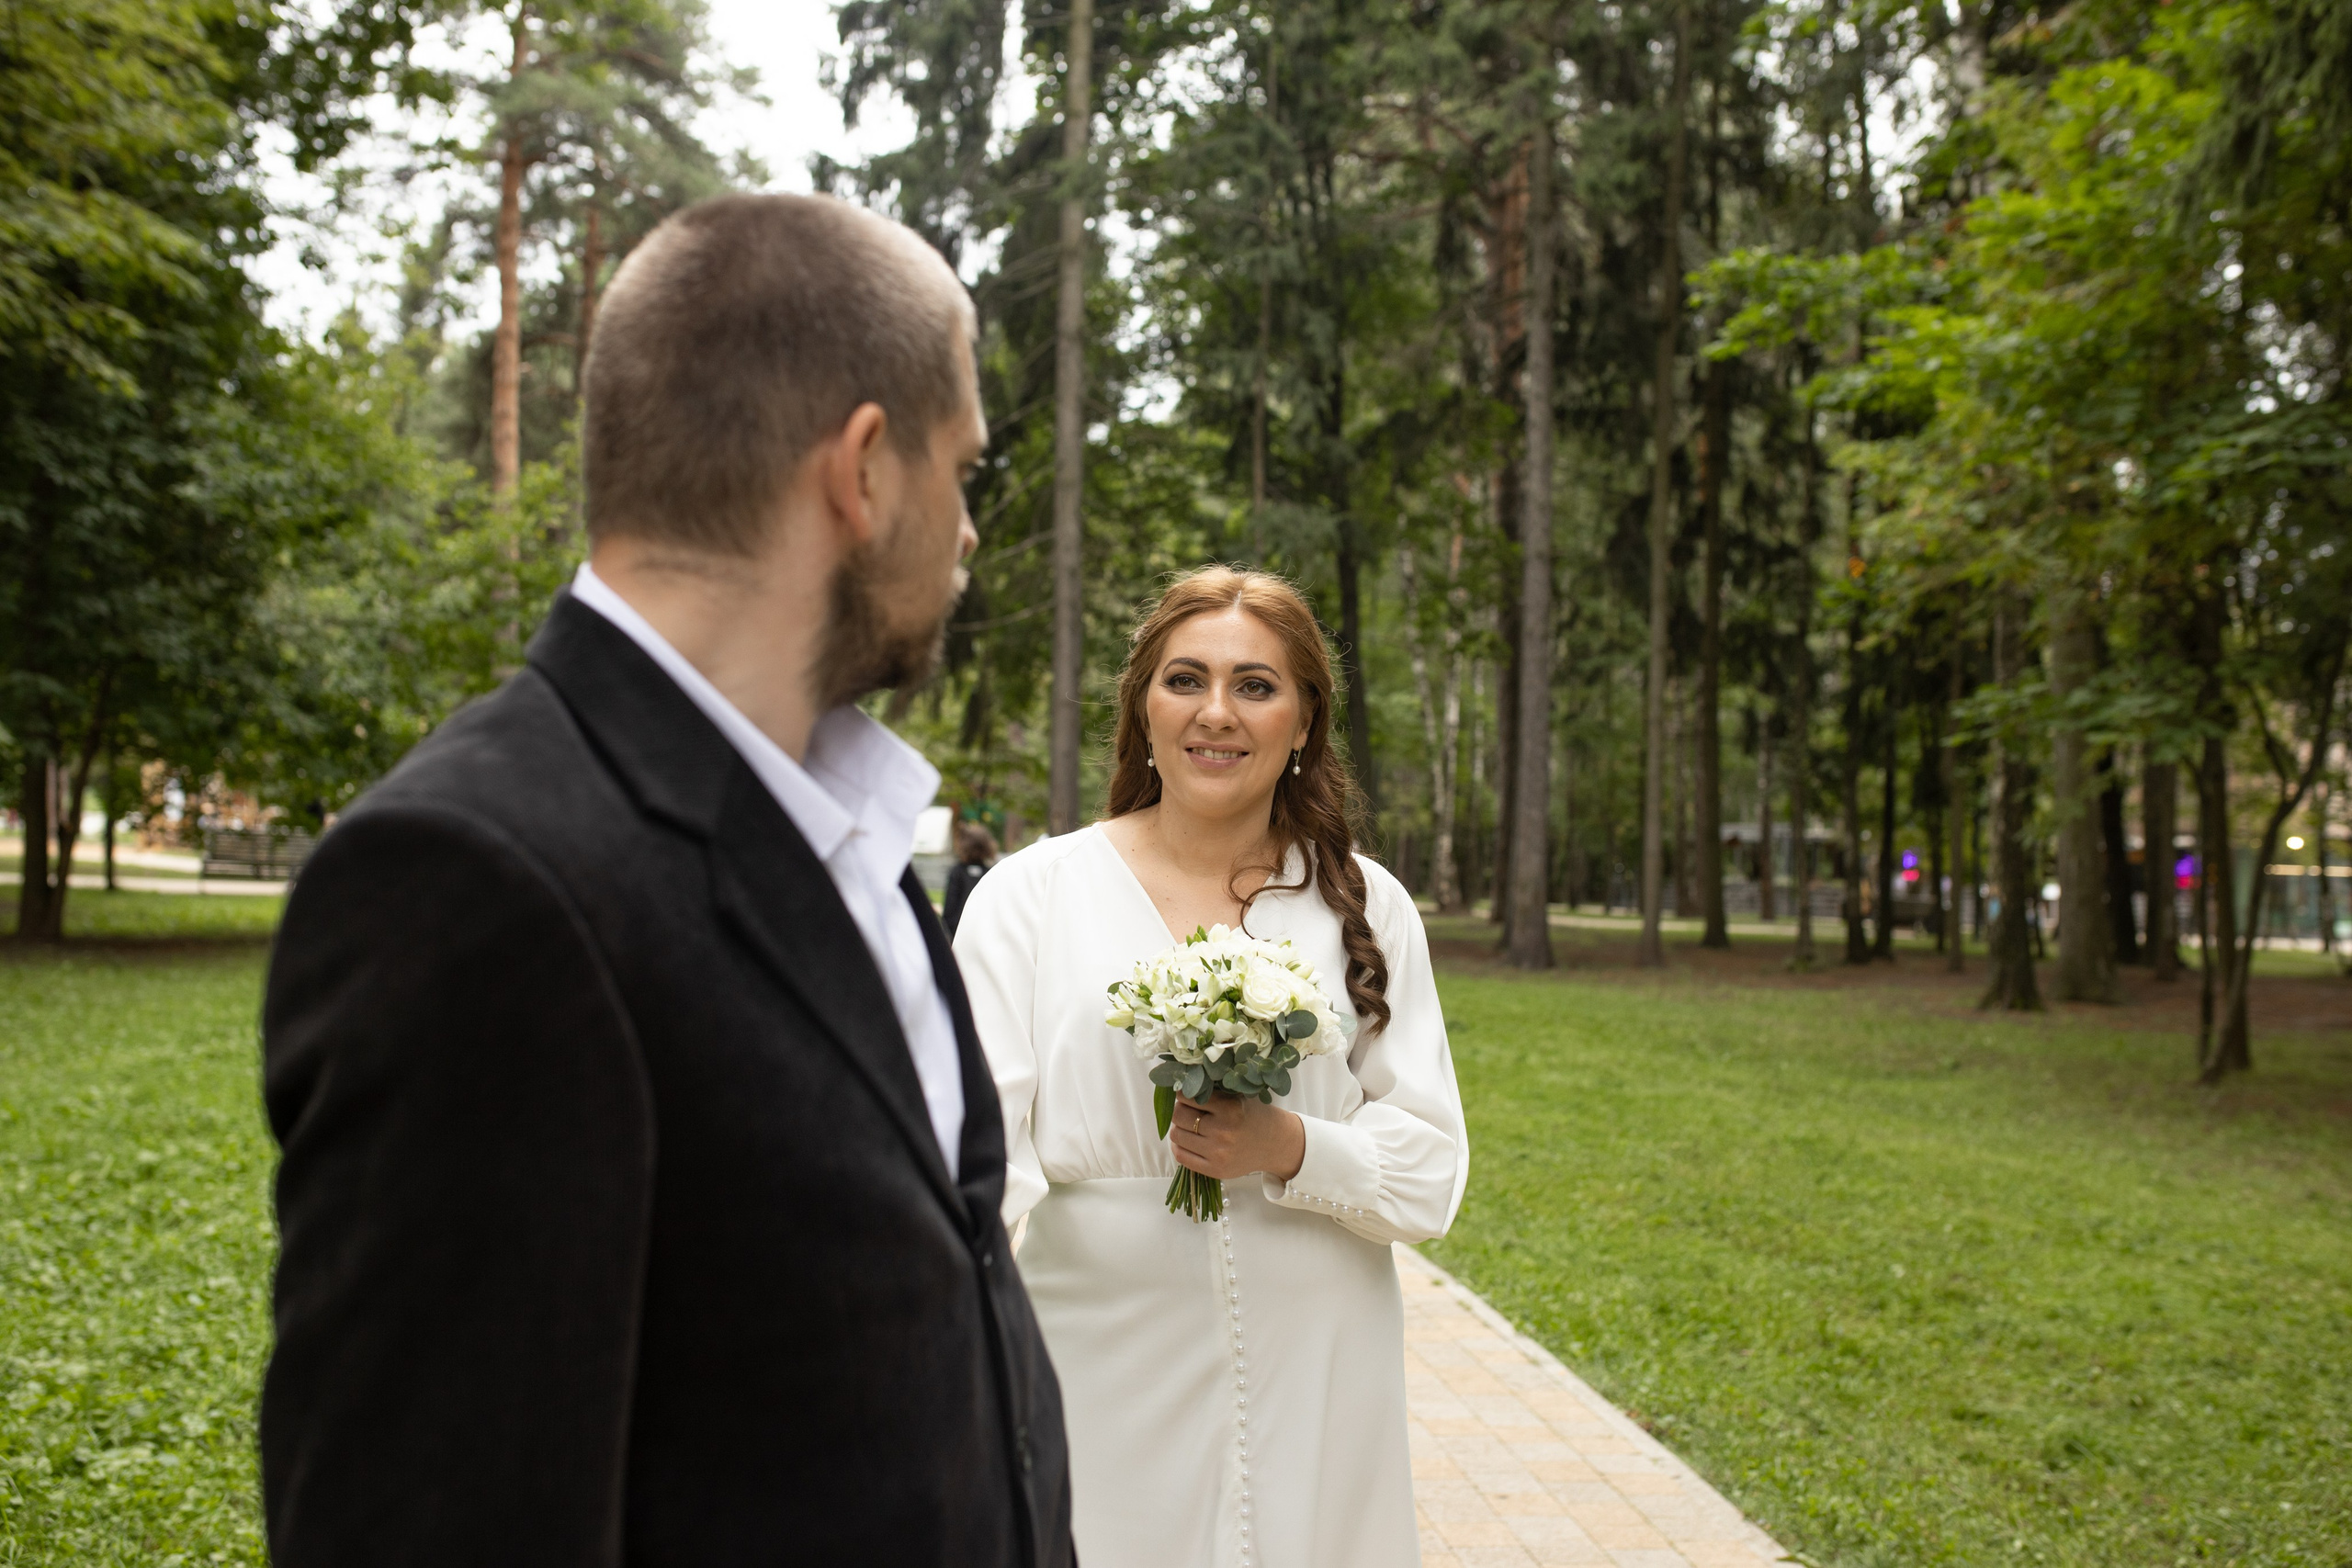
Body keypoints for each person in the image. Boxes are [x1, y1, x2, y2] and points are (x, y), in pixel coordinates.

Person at [259, 194, 1073, 1568]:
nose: (971, 533)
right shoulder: (480, 880)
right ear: (864, 471)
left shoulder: (849, 829)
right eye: (966, 470)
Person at [953, 566, 1468, 1568]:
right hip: (1095, 1342)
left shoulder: (1366, 906)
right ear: (1143, 709)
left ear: (1305, 722)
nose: (1216, 713)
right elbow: (975, 1163)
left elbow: (1430, 1174)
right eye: (1185, 680)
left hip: (1317, 1346)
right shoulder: (1029, 898)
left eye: (1256, 685)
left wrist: (1292, 1145)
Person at [943, 819, 1001, 937]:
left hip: (959, 934)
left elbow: (949, 908)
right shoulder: (992, 872)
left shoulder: (957, 872)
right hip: (985, 935)